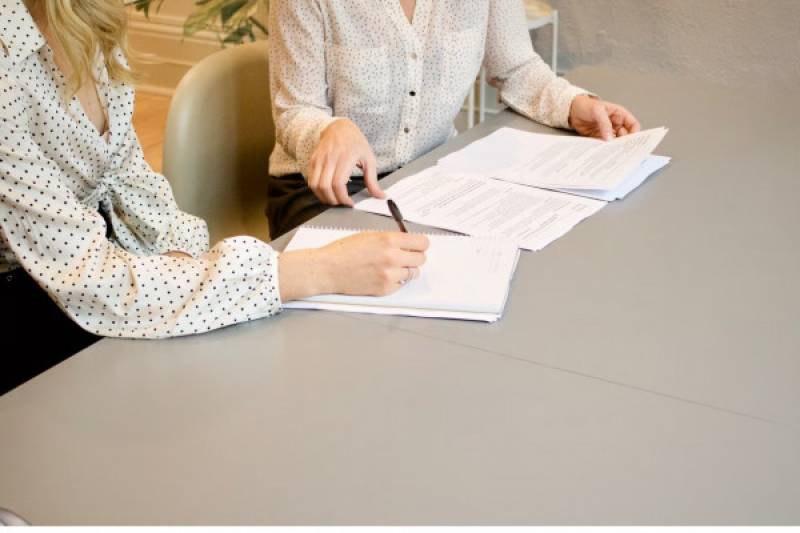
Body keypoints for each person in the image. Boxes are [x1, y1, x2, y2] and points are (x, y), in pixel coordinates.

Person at [0, 0, 429, 395]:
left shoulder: (87, 18)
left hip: (103, 274)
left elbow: (130, 181)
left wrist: (184, 260)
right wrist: (319, 270)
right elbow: (90, 279)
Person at [266, 0, 642, 237]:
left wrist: (573, 104)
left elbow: (516, 67)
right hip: (323, 191)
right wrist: (330, 130)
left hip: (429, 180)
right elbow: (295, 110)